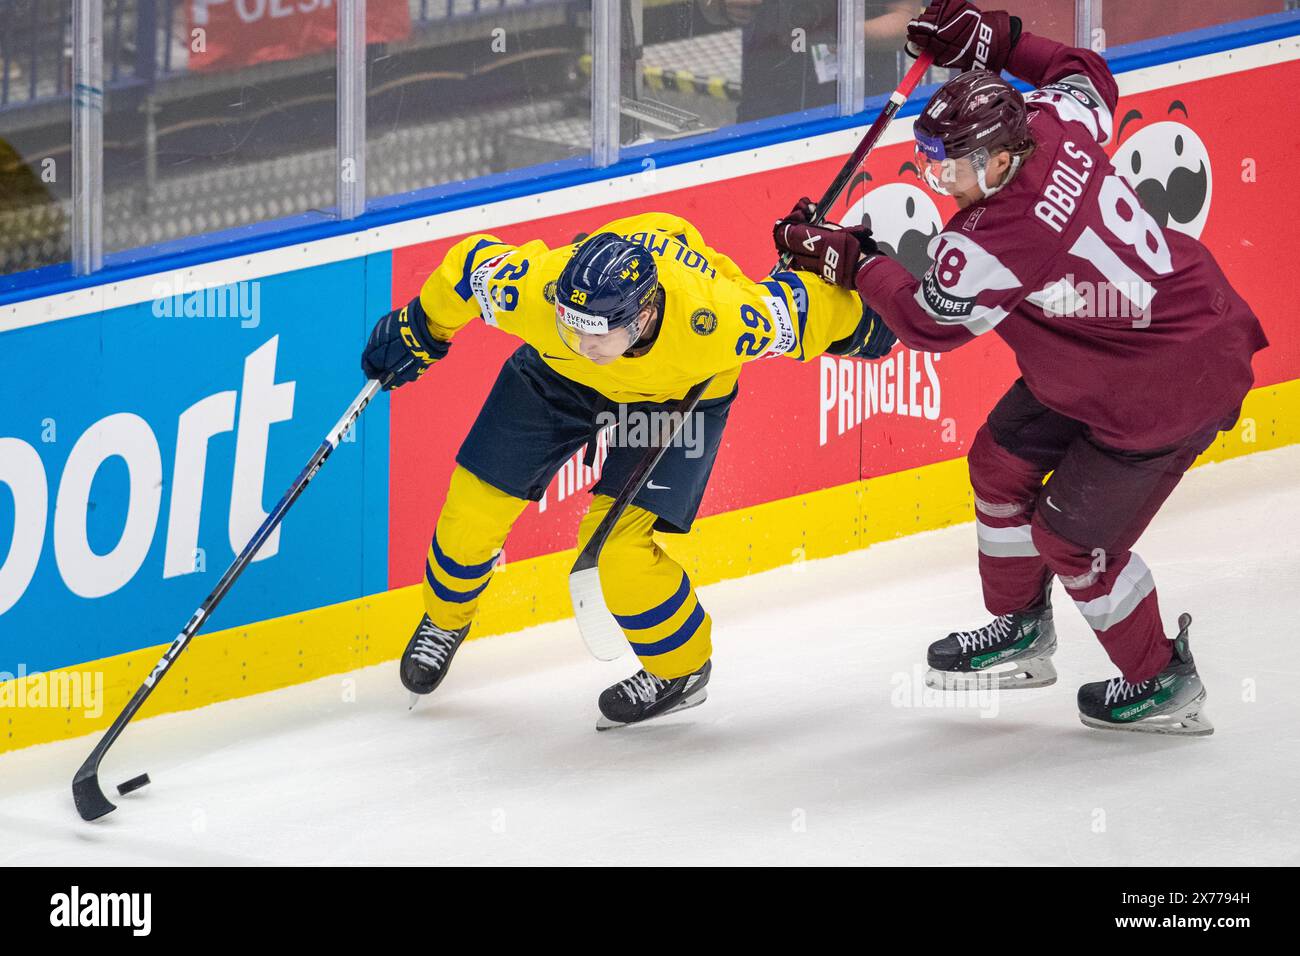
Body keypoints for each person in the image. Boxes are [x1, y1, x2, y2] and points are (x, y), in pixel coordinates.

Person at [772, 0, 1268, 736]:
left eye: (955, 167)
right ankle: (1020, 629)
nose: (943, 183)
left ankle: (1163, 681)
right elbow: (1083, 72)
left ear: (1000, 158)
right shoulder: (1050, 120)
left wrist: (852, 259)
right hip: (1118, 348)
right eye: (934, 164)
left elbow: (927, 322)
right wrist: (992, 40)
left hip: (1169, 383)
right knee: (999, 466)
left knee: (1073, 542)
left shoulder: (997, 234)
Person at [361, 213, 895, 729]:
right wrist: (418, 328)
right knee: (472, 511)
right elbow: (467, 267)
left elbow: (812, 309)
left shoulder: (719, 320)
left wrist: (877, 323)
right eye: (572, 328)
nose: (584, 344)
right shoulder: (541, 294)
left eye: (595, 334)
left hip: (671, 399)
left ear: (641, 318)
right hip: (555, 379)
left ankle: (680, 670)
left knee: (616, 552)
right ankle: (445, 618)